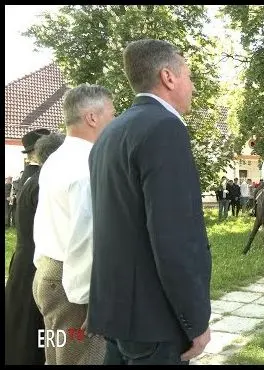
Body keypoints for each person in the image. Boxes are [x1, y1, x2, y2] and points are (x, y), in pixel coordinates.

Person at [87, 39, 212, 365]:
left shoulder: (110, 134)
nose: (193, 86)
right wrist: (195, 321)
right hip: (155, 321)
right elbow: (175, 238)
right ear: (169, 77)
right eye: (189, 75)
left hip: (117, 314)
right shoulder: (165, 128)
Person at [32, 84, 115, 365]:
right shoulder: (85, 165)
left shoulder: (56, 159)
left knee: (57, 357)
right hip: (73, 287)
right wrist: (90, 299)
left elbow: (45, 223)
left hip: (50, 273)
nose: (114, 122)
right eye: (111, 114)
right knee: (83, 359)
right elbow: (85, 237)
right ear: (92, 117)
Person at [5, 132, 64, 365]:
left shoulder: (30, 178)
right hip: (34, 260)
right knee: (33, 327)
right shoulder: (41, 181)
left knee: (23, 322)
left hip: (25, 256)